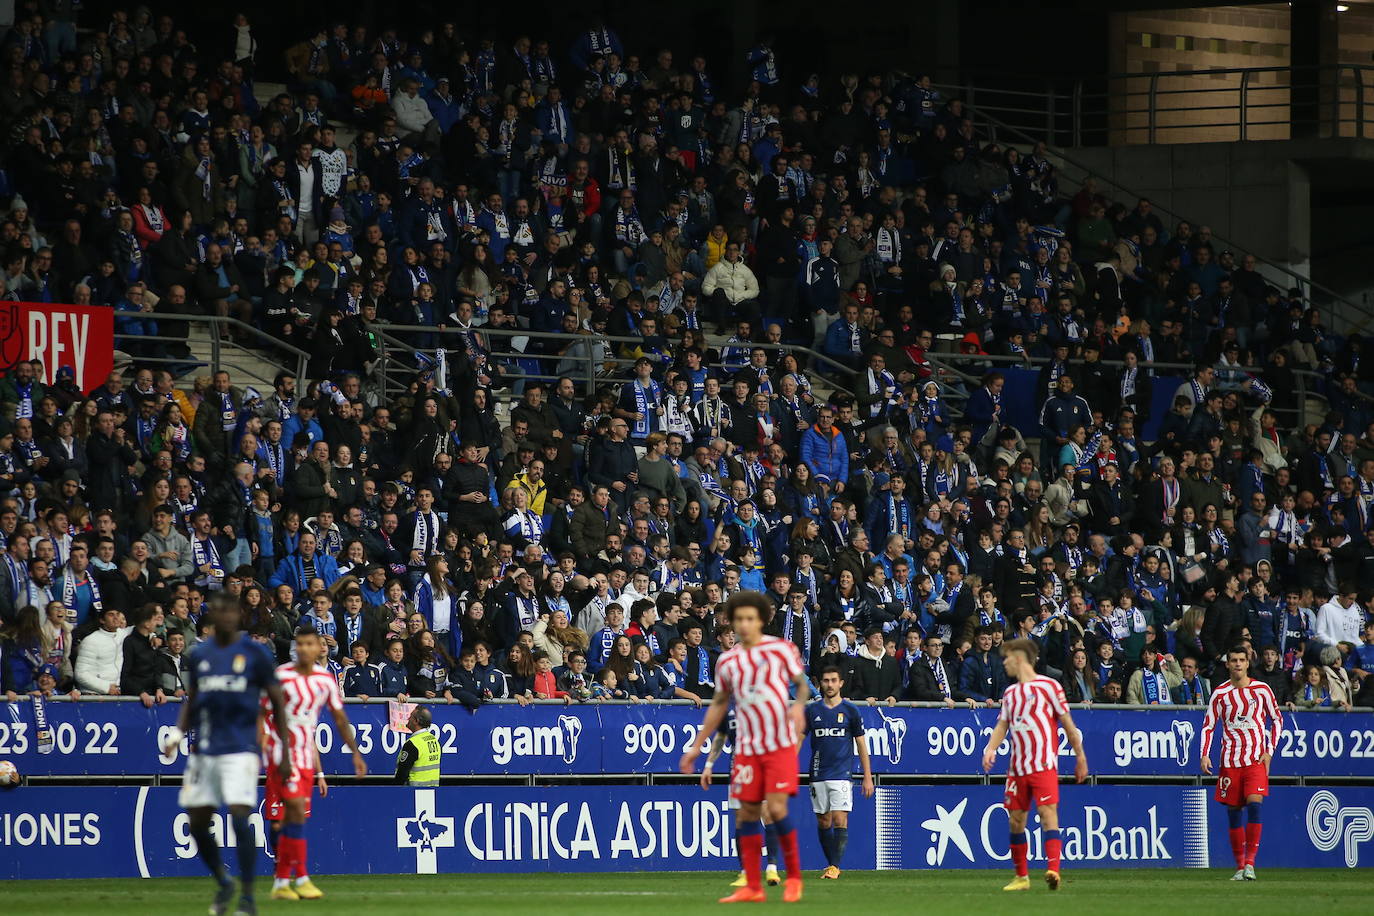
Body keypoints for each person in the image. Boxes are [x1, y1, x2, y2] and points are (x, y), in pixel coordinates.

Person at [162, 597, 291, 916]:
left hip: (242, 748)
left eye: (232, 611)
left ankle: (248, 897)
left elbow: (277, 701)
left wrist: (285, 749)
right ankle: (224, 881)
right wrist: (178, 733)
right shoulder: (201, 654)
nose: (227, 616)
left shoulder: (255, 653)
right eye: (220, 611)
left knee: (238, 815)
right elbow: (193, 701)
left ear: (239, 615)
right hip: (206, 749)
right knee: (197, 823)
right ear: (211, 617)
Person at [681, 591, 809, 903]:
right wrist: (698, 746)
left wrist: (797, 707)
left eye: (750, 618)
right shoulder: (727, 661)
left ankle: (792, 877)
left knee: (775, 809)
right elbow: (719, 705)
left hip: (777, 743)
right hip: (747, 749)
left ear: (762, 620)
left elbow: (802, 685)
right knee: (746, 815)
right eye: (739, 619)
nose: (744, 624)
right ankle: (752, 885)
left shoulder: (781, 649)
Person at [261, 626, 367, 900]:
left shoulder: (324, 680)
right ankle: (303, 877)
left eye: (311, 644)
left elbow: (339, 717)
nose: (306, 649)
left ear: (321, 647)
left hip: (306, 755)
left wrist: (354, 752)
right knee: (294, 809)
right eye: (301, 644)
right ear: (296, 647)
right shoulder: (281, 676)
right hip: (280, 752)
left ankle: (282, 883)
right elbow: (262, 713)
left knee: (295, 817)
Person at [981, 638, 1088, 892]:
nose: (1004, 663)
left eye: (1007, 658)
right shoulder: (1010, 693)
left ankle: (1053, 869)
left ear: (1019, 659)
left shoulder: (1049, 686)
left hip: (1043, 765)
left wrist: (1080, 756)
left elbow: (1068, 724)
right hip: (1017, 768)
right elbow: (1002, 725)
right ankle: (1021, 877)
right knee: (1016, 821)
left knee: (1047, 814)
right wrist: (990, 748)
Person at [1199, 645, 1283, 881]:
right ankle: (1239, 867)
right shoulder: (1220, 694)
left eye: (1241, 660)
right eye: (1233, 660)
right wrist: (1204, 754)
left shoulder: (1262, 690)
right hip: (1229, 761)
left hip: (1255, 759)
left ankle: (1250, 863)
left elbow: (1277, 719)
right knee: (1234, 813)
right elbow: (1208, 725)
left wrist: (1269, 751)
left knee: (1255, 803)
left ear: (1248, 663)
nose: (1237, 664)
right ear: (1227, 664)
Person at [807, 666, 874, 879]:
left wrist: (867, 776)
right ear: (821, 684)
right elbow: (798, 739)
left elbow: (861, 745)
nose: (829, 684)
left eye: (833, 680)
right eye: (826, 680)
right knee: (823, 821)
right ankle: (831, 864)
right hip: (817, 773)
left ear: (841, 683)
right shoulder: (812, 710)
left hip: (842, 774)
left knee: (839, 819)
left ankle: (835, 866)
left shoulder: (851, 710)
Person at [395, 704, 442, 786]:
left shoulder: (412, 744)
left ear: (416, 721)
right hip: (432, 791)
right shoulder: (434, 740)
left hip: (413, 792)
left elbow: (402, 774)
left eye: (410, 716)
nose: (408, 718)